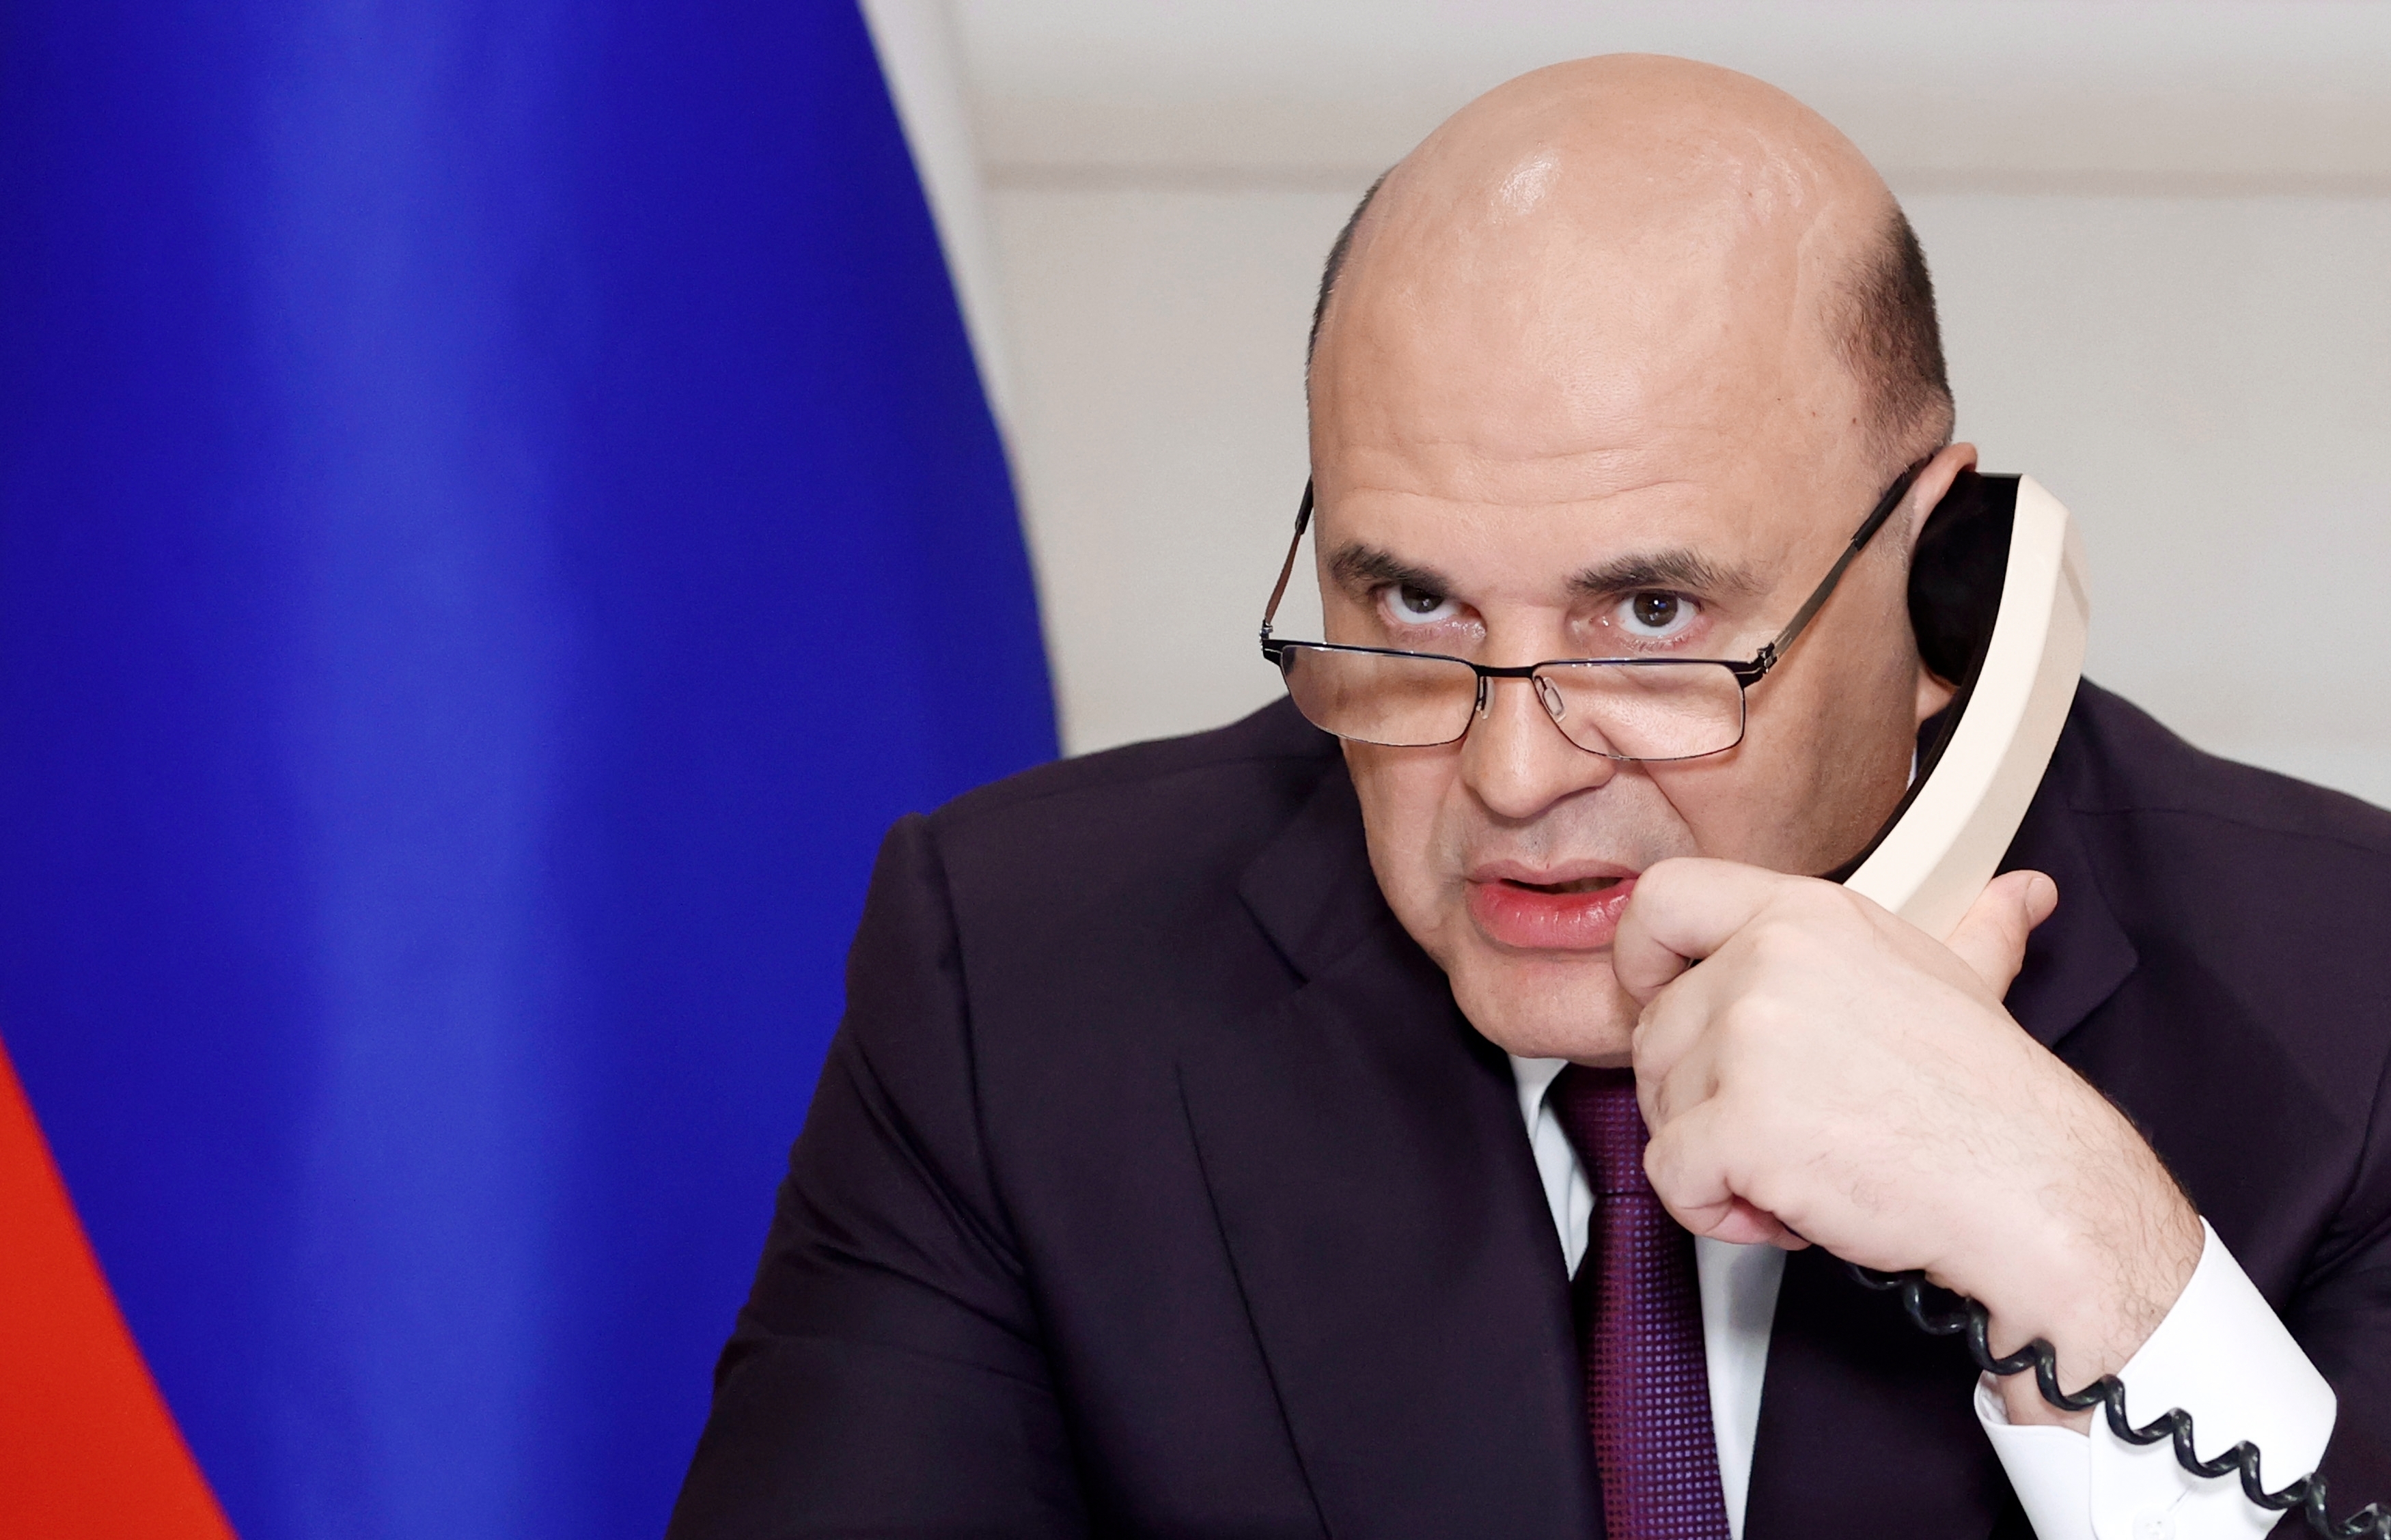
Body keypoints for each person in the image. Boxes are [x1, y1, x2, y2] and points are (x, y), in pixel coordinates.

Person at [667, 55, 2391, 1540]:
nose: (1505, 773)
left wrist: (2100, 1270)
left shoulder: (2349, 997)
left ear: (1946, 587)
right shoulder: (1023, 975)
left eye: (1650, 619)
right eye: (1412, 606)